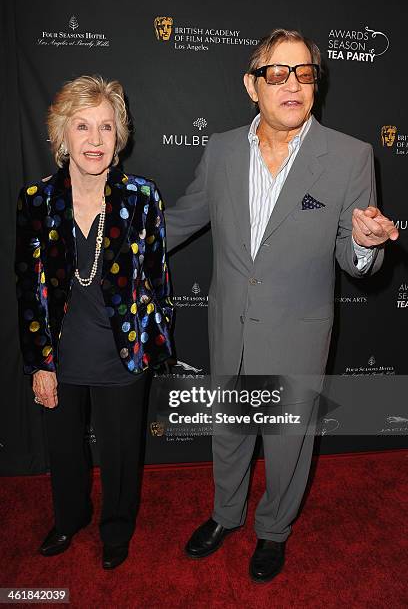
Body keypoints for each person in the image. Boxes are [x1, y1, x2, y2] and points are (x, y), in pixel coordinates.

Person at [164, 29, 398, 583]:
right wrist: (111, 234)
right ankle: (226, 515)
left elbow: (352, 251)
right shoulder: (221, 148)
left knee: (288, 442)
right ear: (253, 85)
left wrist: (365, 245)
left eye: (305, 73)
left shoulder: (349, 156)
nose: (293, 84)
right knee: (231, 430)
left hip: (298, 329)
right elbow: (182, 218)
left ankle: (273, 530)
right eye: (278, 73)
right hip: (229, 322)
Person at [15, 75, 173, 569]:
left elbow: (158, 280)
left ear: (119, 136)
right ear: (62, 136)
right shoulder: (37, 200)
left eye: (106, 127)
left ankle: (117, 527)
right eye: (82, 126)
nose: (95, 139)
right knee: (64, 451)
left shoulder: (142, 197)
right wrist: (40, 363)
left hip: (122, 355)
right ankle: (69, 519)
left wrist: (151, 346)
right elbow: (29, 289)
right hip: (61, 356)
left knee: (122, 453)